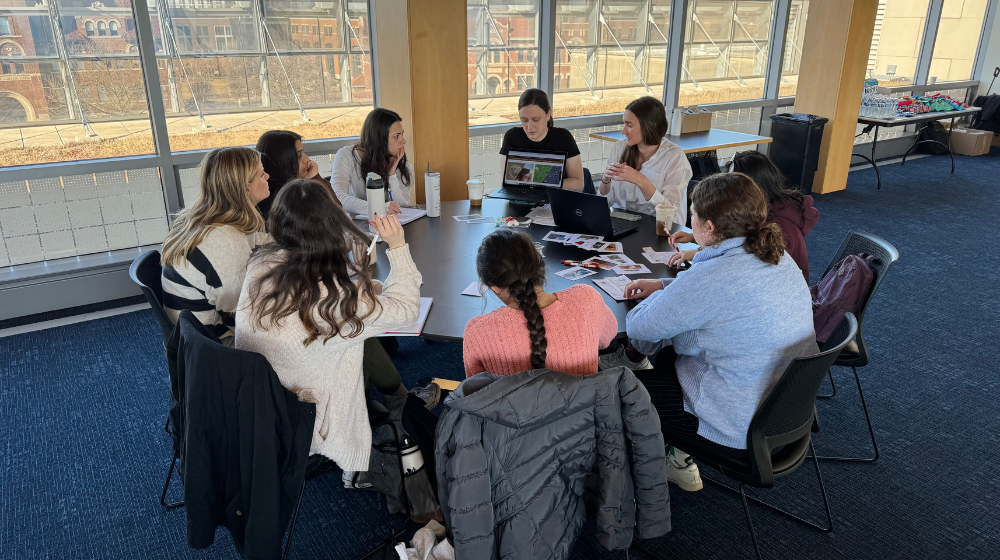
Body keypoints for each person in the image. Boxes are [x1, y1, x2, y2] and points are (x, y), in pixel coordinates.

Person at [601, 173, 818, 492]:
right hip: (784, 410)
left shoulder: (714, 275)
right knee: (674, 351)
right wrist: (666, 286)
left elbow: (639, 328)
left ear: (709, 227)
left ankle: (644, 472)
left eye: (693, 215)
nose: (690, 220)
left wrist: (664, 294)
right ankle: (676, 454)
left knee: (607, 389)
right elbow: (721, 299)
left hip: (734, 424)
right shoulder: (774, 254)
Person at [235, 179, 422, 475]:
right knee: (360, 342)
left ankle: (396, 395)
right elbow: (407, 311)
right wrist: (397, 246)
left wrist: (363, 290)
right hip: (308, 419)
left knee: (356, 339)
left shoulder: (261, 263)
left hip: (258, 405)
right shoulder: (336, 299)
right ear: (333, 223)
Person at [463, 229, 618, 377]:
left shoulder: (477, 333)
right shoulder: (587, 299)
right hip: (587, 404)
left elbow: (476, 392)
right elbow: (607, 337)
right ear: (540, 267)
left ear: (495, 287)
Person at [160, 146, 271, 345]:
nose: (268, 176)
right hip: (212, 347)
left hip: (196, 336)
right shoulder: (225, 242)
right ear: (245, 187)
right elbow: (240, 315)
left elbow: (257, 239)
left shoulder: (206, 218)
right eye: (262, 175)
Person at [666, 151, 819, 281]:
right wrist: (695, 235)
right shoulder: (770, 207)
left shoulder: (780, 225)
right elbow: (740, 237)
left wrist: (698, 253)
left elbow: (751, 261)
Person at [599, 96, 692, 229]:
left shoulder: (674, 157)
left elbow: (670, 214)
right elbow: (605, 205)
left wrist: (641, 180)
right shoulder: (619, 149)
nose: (623, 131)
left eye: (629, 125)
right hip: (622, 226)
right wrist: (605, 180)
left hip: (661, 231)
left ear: (649, 126)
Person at [499, 88, 586, 191]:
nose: (529, 126)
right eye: (524, 120)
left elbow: (578, 184)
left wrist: (538, 182)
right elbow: (506, 181)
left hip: (554, 201)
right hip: (521, 201)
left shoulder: (563, 138)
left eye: (536, 120)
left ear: (548, 114)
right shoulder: (512, 137)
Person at [331, 108, 413, 216]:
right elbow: (337, 198)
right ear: (378, 138)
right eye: (396, 136)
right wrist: (378, 208)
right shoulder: (346, 156)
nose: (403, 141)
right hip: (358, 229)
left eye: (402, 134)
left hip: (393, 228)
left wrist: (391, 175)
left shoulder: (404, 166)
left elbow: (403, 207)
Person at [255, 130, 340, 219]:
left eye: (303, 152)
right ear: (281, 161)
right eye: (298, 155)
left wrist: (315, 178)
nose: (307, 159)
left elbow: (337, 213)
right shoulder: (293, 199)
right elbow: (335, 216)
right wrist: (316, 179)